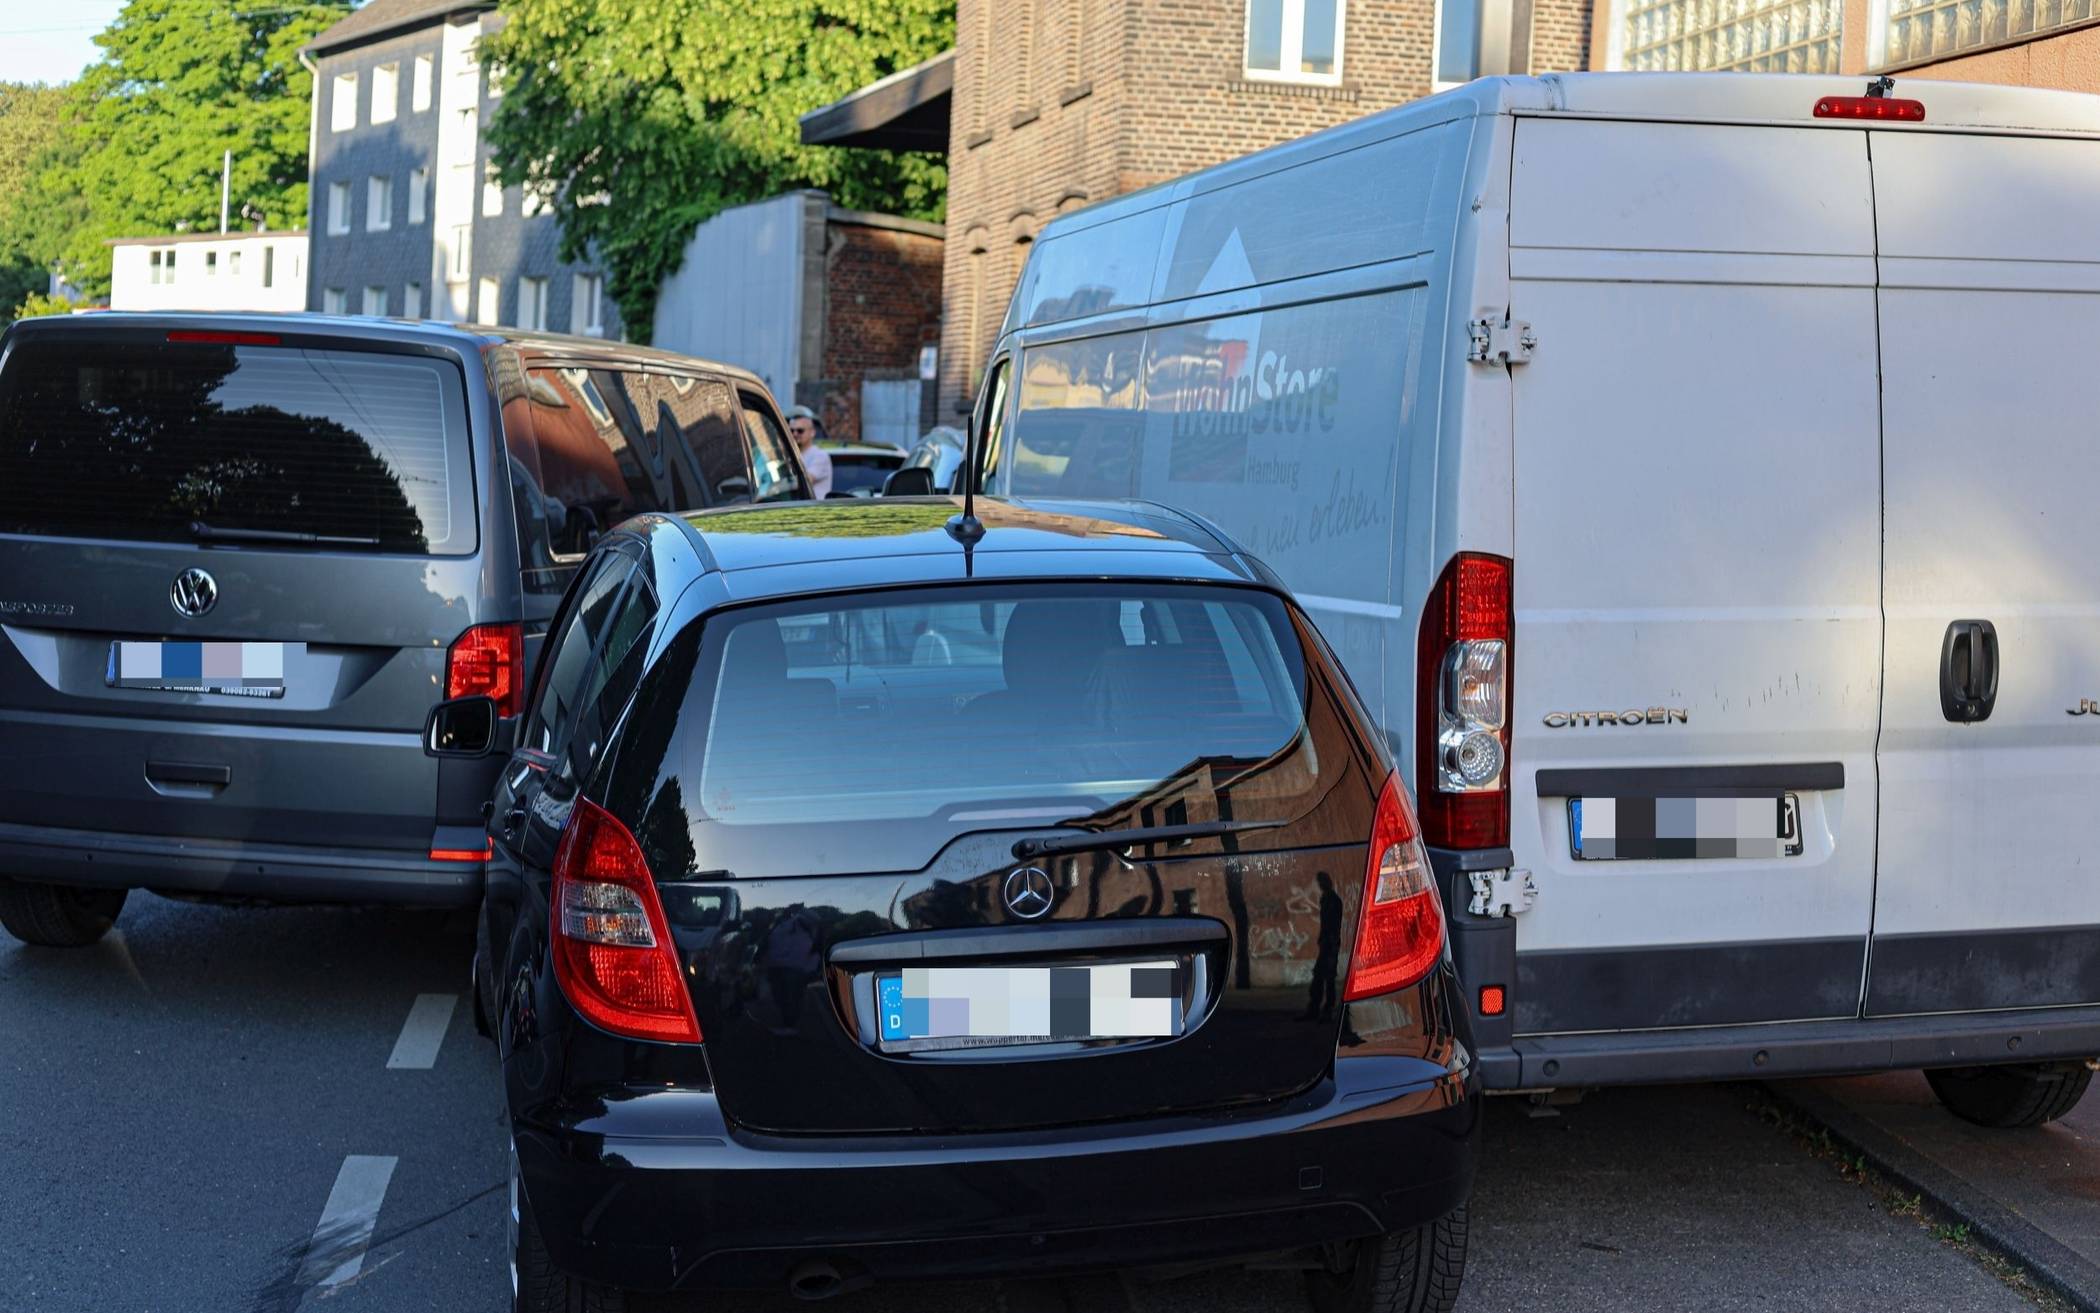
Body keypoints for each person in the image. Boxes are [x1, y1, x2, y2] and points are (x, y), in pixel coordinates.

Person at [785, 404, 833, 498]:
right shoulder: (790, 456)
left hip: (815, 507)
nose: (795, 434)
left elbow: (804, 481)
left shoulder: (820, 456)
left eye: (800, 431)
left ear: (812, 433)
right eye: (791, 431)